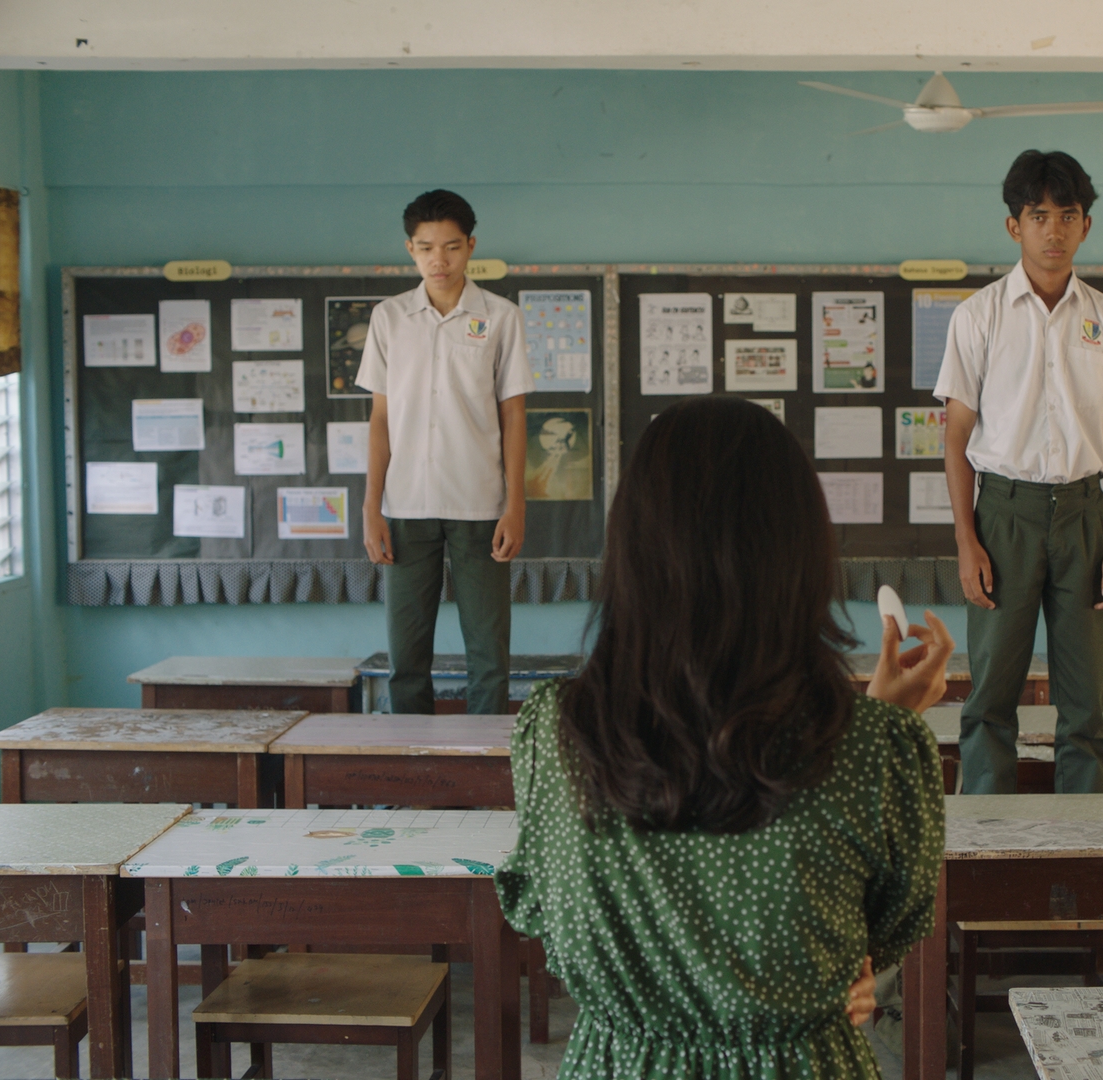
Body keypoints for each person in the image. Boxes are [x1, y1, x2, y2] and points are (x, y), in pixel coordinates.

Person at [495, 395, 953, 1078]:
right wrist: (880, 724)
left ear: (631, 550)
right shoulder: (875, 750)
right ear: (801, 553)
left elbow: (540, 909)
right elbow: (882, 928)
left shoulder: (559, 734)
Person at [933, 150, 1103, 795]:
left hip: (1087, 515)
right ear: (1014, 227)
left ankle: (1081, 841)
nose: (1053, 230)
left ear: (1086, 225)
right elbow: (956, 436)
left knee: (1085, 706)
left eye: (1067, 215)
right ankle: (989, 838)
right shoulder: (978, 316)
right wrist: (966, 540)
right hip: (1003, 515)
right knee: (990, 698)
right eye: (1038, 216)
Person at [357, 189, 532, 715]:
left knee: (489, 655)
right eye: (427, 248)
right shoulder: (389, 318)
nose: (440, 260)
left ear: (471, 246)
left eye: (452, 247)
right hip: (406, 504)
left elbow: (514, 416)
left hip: (481, 504)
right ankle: (413, 762)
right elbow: (381, 419)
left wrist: (516, 505)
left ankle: (486, 762)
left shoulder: (501, 317)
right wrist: (370, 506)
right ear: (410, 249)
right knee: (406, 656)